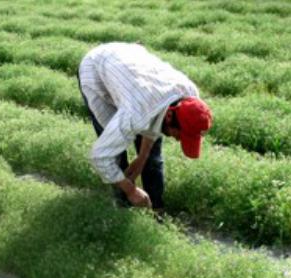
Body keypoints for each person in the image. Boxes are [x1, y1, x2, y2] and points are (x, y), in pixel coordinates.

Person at [78, 42, 213, 210]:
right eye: (180, 134)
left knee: (151, 158)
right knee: (114, 154)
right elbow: (99, 156)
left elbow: (155, 123)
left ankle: (156, 209)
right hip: (96, 70)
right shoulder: (136, 113)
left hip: (131, 68)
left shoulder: (190, 95)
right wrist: (131, 189)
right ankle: (124, 208)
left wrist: (141, 159)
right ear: (170, 115)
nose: (179, 139)